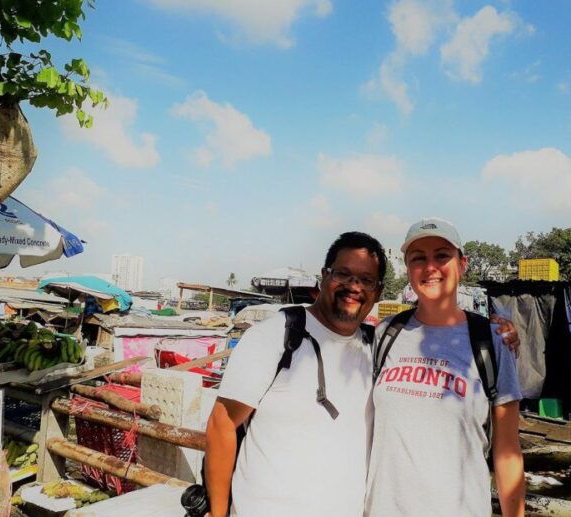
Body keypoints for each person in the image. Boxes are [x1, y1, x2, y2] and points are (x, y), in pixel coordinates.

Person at [205, 231, 519, 517]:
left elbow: (506, 447)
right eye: (343, 274)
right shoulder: (276, 335)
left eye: (366, 279)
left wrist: (499, 331)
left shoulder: (375, 342)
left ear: (379, 290)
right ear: (324, 276)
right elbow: (222, 424)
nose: (354, 286)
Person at [364, 218, 525, 517]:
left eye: (441, 255)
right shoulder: (385, 334)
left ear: (462, 264)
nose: (430, 267)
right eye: (418, 258)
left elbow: (507, 451)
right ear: (408, 268)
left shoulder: (492, 341)